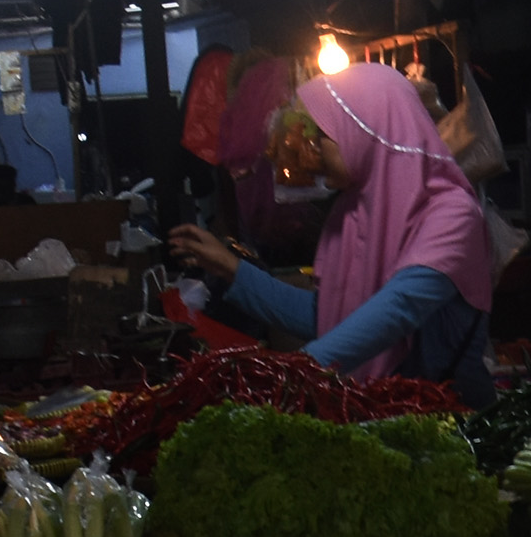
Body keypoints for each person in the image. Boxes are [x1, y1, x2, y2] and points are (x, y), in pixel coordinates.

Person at [161, 63, 497, 402]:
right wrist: (230, 268)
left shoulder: (453, 213)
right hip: (382, 410)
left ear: (364, 128)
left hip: (453, 416)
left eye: (322, 133)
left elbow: (399, 308)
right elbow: (328, 317)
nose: (311, 148)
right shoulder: (353, 212)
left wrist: (292, 373)